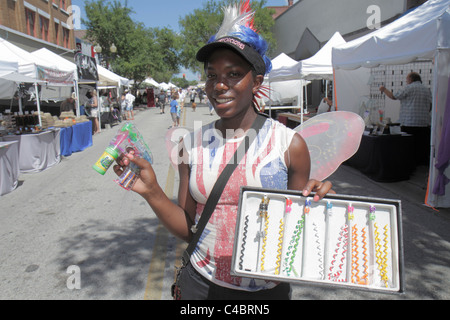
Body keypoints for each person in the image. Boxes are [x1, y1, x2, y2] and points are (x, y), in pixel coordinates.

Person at [114, 1, 333, 300]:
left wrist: (321, 206)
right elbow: (188, 228)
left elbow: (298, 233)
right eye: (212, 75)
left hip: (266, 292)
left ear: (255, 81)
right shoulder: (188, 145)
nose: (219, 85)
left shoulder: (289, 145)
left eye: (233, 74)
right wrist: (151, 190)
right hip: (200, 285)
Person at [379, 71, 432, 165]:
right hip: (424, 123)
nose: (406, 81)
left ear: (411, 79)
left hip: (409, 123)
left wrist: (384, 89)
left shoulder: (409, 88)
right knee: (421, 147)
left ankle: (410, 166)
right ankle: (421, 166)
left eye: (407, 79)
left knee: (409, 148)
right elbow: (430, 106)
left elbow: (393, 96)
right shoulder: (427, 89)